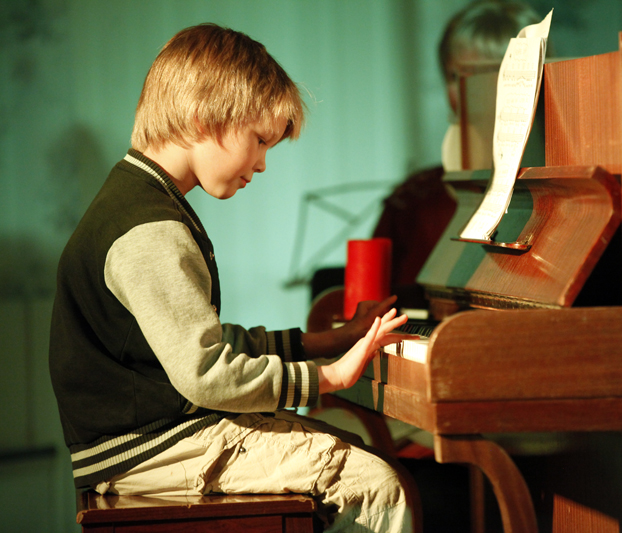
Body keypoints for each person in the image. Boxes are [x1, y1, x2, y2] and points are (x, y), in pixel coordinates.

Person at [49, 23, 414, 532]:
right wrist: (329, 376)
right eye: (260, 140)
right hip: (153, 450)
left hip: (158, 436)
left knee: (350, 448)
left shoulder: (141, 201)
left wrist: (327, 340)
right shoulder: (150, 229)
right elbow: (207, 374)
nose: (262, 164)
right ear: (204, 117)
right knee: (374, 483)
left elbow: (202, 346)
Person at [372, 0, 545, 310]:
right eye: (458, 78)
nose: (475, 91)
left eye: (496, 75)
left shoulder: (564, 188)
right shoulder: (414, 200)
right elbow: (378, 302)